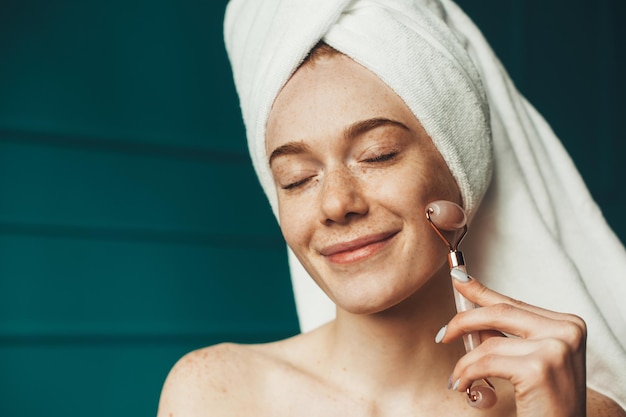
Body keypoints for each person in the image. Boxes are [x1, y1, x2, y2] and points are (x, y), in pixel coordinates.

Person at [157, 0, 626, 415]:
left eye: (377, 155)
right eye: (297, 179)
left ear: (461, 167)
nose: (337, 203)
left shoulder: (574, 408)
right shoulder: (214, 394)